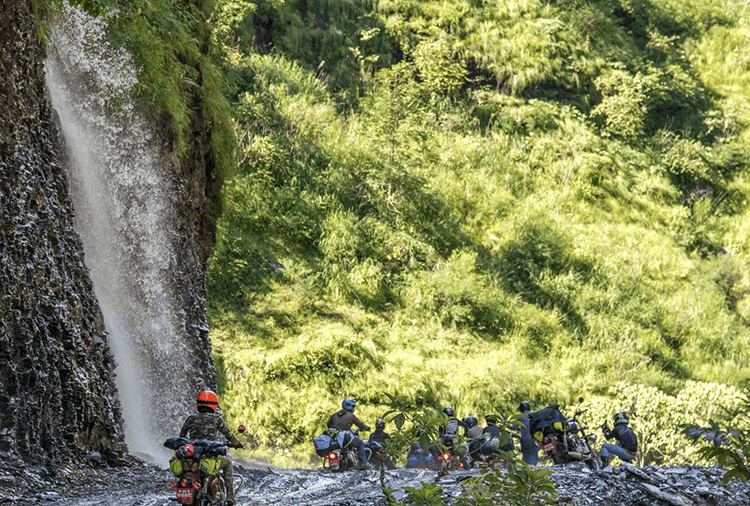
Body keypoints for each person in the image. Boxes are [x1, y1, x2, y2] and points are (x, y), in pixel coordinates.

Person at [179, 390, 243, 505]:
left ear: (198, 404)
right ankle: (230, 495)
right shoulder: (216, 419)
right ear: (214, 405)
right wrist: (237, 444)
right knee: (228, 463)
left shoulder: (191, 418)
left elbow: (182, 436)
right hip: (209, 456)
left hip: (193, 456)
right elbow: (228, 434)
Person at [327, 398, 372, 469]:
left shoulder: (335, 415)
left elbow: (328, 424)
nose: (353, 409)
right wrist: (366, 428)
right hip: (345, 437)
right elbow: (360, 425)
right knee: (360, 444)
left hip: (334, 437)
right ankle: (363, 464)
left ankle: (334, 462)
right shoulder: (351, 415)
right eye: (353, 407)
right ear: (349, 406)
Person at [517, 401, 538, 465]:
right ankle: (532, 469)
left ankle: (525, 470)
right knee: (533, 454)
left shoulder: (520, 417)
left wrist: (508, 425)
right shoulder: (534, 416)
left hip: (524, 439)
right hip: (533, 439)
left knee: (525, 455)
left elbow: (515, 428)